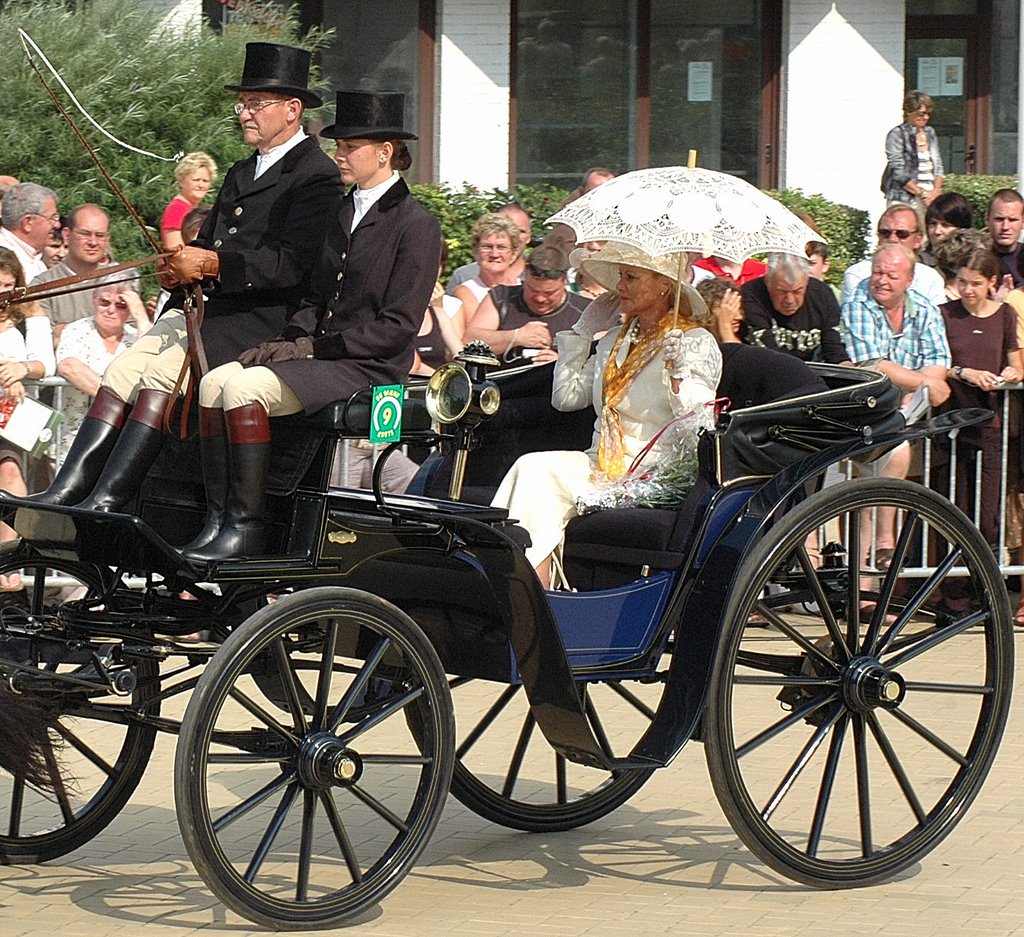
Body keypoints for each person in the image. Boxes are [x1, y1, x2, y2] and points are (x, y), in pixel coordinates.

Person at [29, 41, 343, 512]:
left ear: (292, 109)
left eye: (256, 104)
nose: (245, 113)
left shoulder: (316, 175)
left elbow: (293, 263)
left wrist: (214, 266)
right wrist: (179, 267)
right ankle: (72, 489)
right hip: (205, 308)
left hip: (261, 317)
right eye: (243, 103)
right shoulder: (242, 170)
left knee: (159, 372)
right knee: (124, 368)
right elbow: (210, 240)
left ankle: (111, 497)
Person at [182, 89, 441, 563]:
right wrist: (285, 339)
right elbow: (315, 297)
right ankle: (218, 519)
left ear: (385, 153)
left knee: (244, 391)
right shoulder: (343, 210)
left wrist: (310, 350)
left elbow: (398, 327)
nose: (339, 154)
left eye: (350, 147)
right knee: (217, 380)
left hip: (369, 366)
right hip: (322, 356)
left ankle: (246, 526)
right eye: (338, 145)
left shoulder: (415, 224)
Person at [491, 242, 722, 585]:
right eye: (620, 277)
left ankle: (526, 592)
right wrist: (582, 335)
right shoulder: (616, 338)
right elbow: (567, 399)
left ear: (663, 284)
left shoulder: (693, 342)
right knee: (531, 466)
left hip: (651, 473)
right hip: (600, 465)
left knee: (538, 474)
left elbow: (700, 425)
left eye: (631, 277)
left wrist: (679, 373)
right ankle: (521, 583)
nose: (620, 287)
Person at [842, 243, 951, 564]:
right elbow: (873, 364)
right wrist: (924, 383)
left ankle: (878, 585)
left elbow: (938, 361)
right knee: (868, 494)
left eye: (892, 274)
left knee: (892, 472)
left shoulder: (925, 310)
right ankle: (872, 565)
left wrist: (921, 382)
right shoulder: (857, 303)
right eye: (877, 272)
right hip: (861, 417)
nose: (882, 280)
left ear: (910, 279)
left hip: (907, 420)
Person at [931, 247, 1020, 548]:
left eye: (976, 283)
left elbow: (1016, 362)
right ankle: (951, 592)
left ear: (991, 282)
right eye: (962, 282)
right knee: (951, 511)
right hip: (950, 422)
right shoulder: (945, 313)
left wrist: (1011, 373)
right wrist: (963, 372)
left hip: (990, 422)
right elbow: (936, 362)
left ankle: (980, 588)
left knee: (987, 515)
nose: (967, 290)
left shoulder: (1005, 314)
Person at [55, 283, 151, 465]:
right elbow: (69, 366)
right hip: (76, 435)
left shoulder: (136, 336)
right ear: (94, 299)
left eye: (121, 305)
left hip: (122, 437)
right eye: (104, 302)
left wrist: (141, 318)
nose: (111, 310)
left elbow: (153, 364)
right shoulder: (77, 330)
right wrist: (119, 399)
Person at [464, 244, 588, 367]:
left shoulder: (585, 311)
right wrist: (516, 337)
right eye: (532, 290)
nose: (540, 298)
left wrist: (561, 363)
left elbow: (598, 359)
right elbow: (469, 342)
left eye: (549, 293)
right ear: (525, 275)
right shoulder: (501, 297)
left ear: (564, 281)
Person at [30, 204, 117, 342]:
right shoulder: (42, 285)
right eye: (85, 234)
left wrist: (66, 330)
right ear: (66, 235)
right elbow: (43, 341)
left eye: (100, 235)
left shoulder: (119, 281)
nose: (93, 242)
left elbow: (131, 335)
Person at [741, 253, 849, 363]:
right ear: (767, 282)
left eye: (797, 291)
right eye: (781, 292)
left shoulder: (822, 294)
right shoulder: (751, 295)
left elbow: (834, 350)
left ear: (806, 281)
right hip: (766, 368)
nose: (789, 300)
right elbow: (768, 356)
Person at [840, 204, 946, 309]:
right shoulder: (857, 274)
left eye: (902, 234)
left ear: (918, 240)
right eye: (885, 233)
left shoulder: (930, 278)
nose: (892, 239)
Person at [451, 212, 524, 321]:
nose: (494, 254)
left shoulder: (524, 288)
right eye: (487, 247)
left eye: (501, 247)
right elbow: (476, 333)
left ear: (513, 254)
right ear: (476, 251)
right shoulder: (465, 292)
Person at [446, 203, 532, 295]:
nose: (495, 254)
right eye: (487, 246)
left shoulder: (538, 274)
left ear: (529, 236)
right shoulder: (463, 277)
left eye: (521, 231)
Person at [882, 90, 944, 209]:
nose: (926, 117)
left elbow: (938, 165)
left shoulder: (930, 132)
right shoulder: (897, 134)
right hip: (903, 198)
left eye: (928, 113)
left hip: (930, 198)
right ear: (909, 112)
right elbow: (898, 171)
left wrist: (936, 191)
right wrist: (921, 193)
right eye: (921, 113)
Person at [0, 183, 60, 283]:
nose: (57, 225)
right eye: (52, 218)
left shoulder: (32, 254)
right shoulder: (3, 258)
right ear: (28, 222)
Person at [160, 151, 218, 251]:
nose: (201, 185)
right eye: (196, 180)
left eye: (205, 181)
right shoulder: (176, 210)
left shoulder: (194, 209)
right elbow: (175, 252)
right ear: (181, 181)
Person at [985, 188, 1024, 291]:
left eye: (1012, 220)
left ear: (1023, 222)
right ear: (987, 220)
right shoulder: (975, 260)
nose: (1005, 227)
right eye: (999, 219)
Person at [696, 278, 745, 343]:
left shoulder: (747, 336)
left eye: (739, 308)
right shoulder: (695, 342)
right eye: (729, 308)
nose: (739, 317)